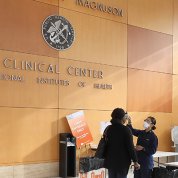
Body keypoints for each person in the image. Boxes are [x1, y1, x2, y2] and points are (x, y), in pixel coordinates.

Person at [104, 108, 140, 178]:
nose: (125, 119)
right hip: (122, 163)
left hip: (110, 161)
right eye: (125, 117)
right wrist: (135, 161)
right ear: (122, 117)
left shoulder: (109, 129)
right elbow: (130, 147)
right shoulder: (126, 130)